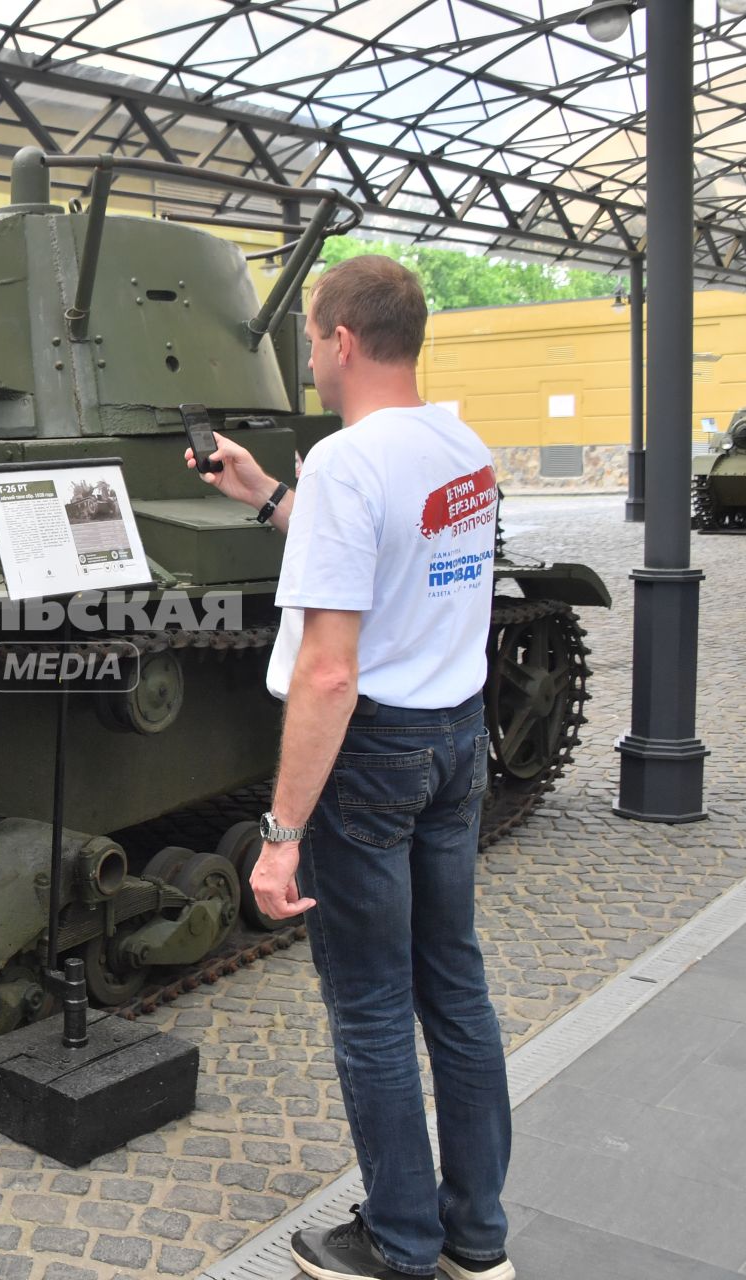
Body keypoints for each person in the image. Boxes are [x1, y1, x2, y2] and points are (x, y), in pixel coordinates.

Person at [189, 255, 513, 1280]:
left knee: (370, 1004)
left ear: (339, 339)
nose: (307, 356)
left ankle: (400, 1240)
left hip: (372, 755)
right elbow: (388, 552)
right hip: (455, 737)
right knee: (454, 990)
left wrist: (281, 837)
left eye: (310, 338)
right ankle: (476, 1237)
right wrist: (265, 493)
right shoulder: (461, 446)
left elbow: (328, 672)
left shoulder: (350, 459)